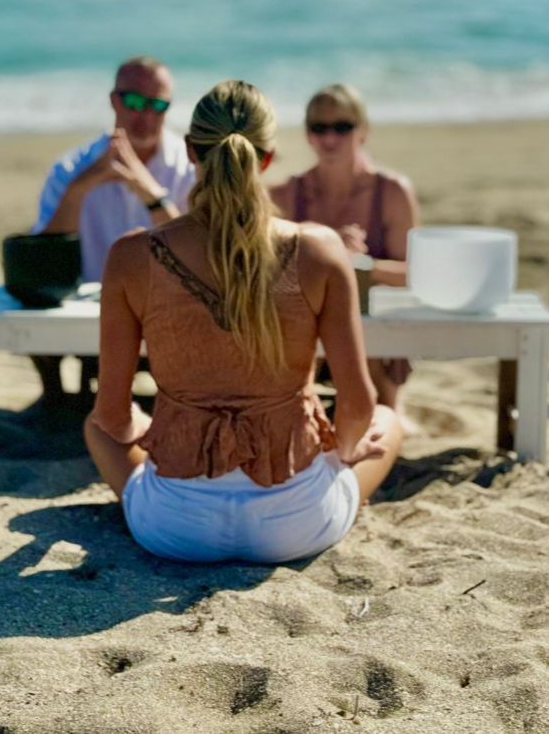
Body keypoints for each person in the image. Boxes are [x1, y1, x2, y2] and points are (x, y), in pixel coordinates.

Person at [83, 80, 402, 564]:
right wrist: (344, 447)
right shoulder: (318, 250)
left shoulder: (132, 256)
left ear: (191, 152)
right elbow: (359, 404)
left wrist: (169, 432)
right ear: (267, 158)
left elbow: (113, 418)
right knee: (388, 421)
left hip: (174, 526)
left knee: (94, 427)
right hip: (296, 524)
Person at [31, 56, 196, 400]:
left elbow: (195, 250)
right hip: (89, 304)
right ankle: (55, 400)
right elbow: (43, 254)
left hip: (171, 304)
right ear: (114, 100)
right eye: (135, 102)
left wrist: (149, 192)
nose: (146, 115)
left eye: (158, 105)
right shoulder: (72, 168)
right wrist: (81, 187)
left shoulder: (189, 167)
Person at [270, 83, 419, 409]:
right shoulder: (287, 193)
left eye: (342, 127)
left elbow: (416, 275)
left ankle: (388, 408)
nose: (329, 138)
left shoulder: (391, 191)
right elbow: (266, 264)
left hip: (370, 323)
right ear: (307, 134)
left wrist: (359, 265)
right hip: (307, 316)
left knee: (359, 313)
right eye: (319, 128)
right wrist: (328, 249)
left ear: (363, 131)